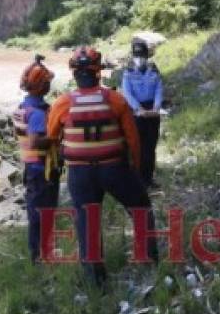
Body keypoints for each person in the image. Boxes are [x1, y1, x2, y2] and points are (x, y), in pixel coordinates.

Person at [48, 46, 157, 285]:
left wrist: (56, 169)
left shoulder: (62, 104)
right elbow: (133, 140)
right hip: (114, 168)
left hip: (79, 173)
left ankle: (97, 283)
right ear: (98, 72)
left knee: (87, 224)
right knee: (141, 209)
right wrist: (136, 170)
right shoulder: (115, 100)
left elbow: (52, 140)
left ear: (74, 73)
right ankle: (150, 262)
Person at [12, 55, 60, 264]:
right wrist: (57, 137)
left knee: (36, 212)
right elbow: (35, 142)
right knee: (44, 212)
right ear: (42, 86)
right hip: (42, 170)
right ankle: (42, 254)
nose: (49, 85)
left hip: (31, 168)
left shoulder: (23, 107)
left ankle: (38, 253)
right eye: (47, 82)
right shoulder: (38, 114)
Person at [121, 40, 164, 189]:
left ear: (147, 55)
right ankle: (138, 180)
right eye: (137, 55)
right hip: (136, 112)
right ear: (133, 55)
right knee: (137, 146)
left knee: (150, 146)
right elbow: (127, 93)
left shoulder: (154, 70)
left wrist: (156, 107)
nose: (140, 58)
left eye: (142, 55)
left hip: (152, 111)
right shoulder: (128, 71)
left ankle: (149, 178)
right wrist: (139, 109)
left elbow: (159, 89)